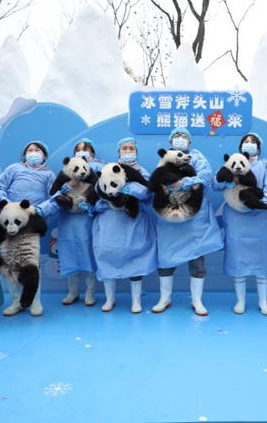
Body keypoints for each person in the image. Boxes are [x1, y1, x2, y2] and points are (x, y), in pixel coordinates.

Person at [151, 127, 224, 316]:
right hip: (169, 219)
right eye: (176, 136)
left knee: (197, 259)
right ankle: (164, 299)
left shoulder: (197, 157)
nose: (180, 139)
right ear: (170, 142)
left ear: (190, 143)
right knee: (166, 260)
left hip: (194, 218)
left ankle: (197, 300)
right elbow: (156, 181)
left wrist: (181, 184)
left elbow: (205, 178)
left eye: (184, 136)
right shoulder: (165, 160)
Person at [212, 133, 267, 315]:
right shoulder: (233, 162)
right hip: (235, 218)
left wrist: (256, 204)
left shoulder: (265, 166)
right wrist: (230, 184)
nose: (249, 145)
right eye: (246, 142)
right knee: (237, 257)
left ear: (259, 147)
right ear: (240, 146)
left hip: (260, 218)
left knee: (261, 259)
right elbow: (215, 184)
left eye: (253, 142)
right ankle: (240, 301)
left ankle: (263, 302)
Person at [0, 141, 57, 315]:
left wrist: (39, 210)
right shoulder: (14, 169)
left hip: (29, 224)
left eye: (37, 150)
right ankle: (16, 302)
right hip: (8, 222)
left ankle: (35, 302)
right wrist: (4, 204)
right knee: (10, 263)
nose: (33, 152)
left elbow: (54, 199)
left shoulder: (49, 175)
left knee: (30, 263)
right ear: (24, 154)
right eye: (30, 150)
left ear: (44, 156)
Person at [92, 137, 157, 313]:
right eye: (124, 148)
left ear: (136, 151)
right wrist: (107, 197)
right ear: (118, 151)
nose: (127, 151)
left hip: (133, 222)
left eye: (131, 148)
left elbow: (147, 194)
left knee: (136, 259)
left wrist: (125, 188)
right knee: (106, 256)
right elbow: (98, 192)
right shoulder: (107, 169)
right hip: (109, 222)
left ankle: (136, 301)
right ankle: (109, 299)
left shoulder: (142, 172)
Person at [55, 140, 101, 306]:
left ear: (92, 153)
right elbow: (54, 193)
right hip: (68, 219)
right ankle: (73, 292)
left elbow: (102, 191)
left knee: (88, 253)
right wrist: (67, 187)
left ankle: (90, 293)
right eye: (78, 149)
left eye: (85, 149)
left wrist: (88, 202)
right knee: (70, 253)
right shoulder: (66, 170)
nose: (82, 152)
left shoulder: (98, 168)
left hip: (87, 218)